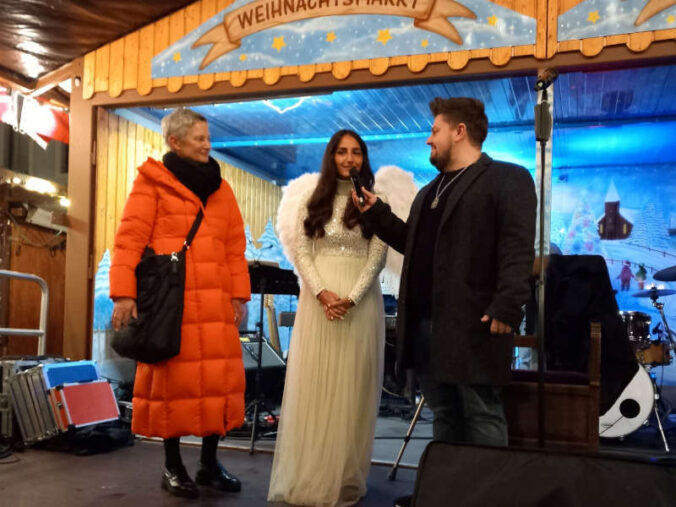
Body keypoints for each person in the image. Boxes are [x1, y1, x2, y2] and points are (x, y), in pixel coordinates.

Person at [354, 96, 536, 483]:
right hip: (426, 327)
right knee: (445, 415)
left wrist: (508, 304)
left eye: (434, 130)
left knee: (482, 415)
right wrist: (378, 214)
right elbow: (414, 245)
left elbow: (518, 247)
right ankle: (450, 491)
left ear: (459, 131)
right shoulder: (428, 193)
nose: (428, 139)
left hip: (476, 324)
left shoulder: (508, 178)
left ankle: (485, 496)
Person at [109, 107, 250, 499]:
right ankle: (172, 466)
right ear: (175, 141)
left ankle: (209, 463)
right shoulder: (151, 183)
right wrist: (123, 293)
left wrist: (239, 294)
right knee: (173, 384)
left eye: (208, 137)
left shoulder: (222, 188)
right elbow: (129, 240)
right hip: (173, 304)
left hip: (217, 301)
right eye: (199, 138)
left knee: (216, 384)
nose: (208, 144)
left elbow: (234, 246)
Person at [268, 130, 388, 506]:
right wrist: (321, 293)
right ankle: (311, 474)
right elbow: (301, 251)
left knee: (351, 391)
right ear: (331, 156)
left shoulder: (372, 202)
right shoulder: (312, 199)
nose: (348, 158)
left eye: (355, 152)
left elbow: (378, 255)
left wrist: (351, 298)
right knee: (316, 387)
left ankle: (342, 476)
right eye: (341, 152)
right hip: (318, 303)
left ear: (363, 159)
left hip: (360, 303)